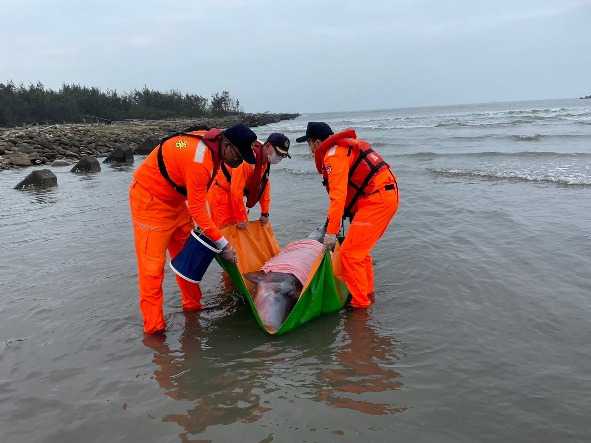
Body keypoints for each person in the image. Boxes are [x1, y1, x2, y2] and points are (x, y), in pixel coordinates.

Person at [129, 123, 257, 334]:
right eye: (238, 155)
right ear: (226, 145)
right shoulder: (200, 160)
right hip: (149, 202)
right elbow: (198, 209)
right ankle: (154, 330)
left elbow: (179, 150)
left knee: (186, 262)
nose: (239, 161)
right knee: (152, 271)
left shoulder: (214, 147)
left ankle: (193, 307)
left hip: (177, 202)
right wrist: (223, 244)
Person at [296, 122, 399, 309]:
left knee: (350, 255)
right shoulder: (341, 150)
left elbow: (338, 196)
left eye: (309, 144)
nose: (310, 150)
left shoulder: (333, 156)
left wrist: (331, 233)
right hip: (382, 196)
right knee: (359, 252)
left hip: (377, 200)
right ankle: (367, 294)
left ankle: (360, 307)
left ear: (317, 142)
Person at [208, 133, 291, 229]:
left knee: (240, 230)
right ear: (267, 146)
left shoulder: (264, 161)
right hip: (221, 195)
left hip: (238, 197)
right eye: (278, 153)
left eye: (283, 155)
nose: (279, 157)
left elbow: (264, 186)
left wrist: (265, 212)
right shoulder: (247, 160)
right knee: (224, 231)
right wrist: (241, 218)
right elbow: (236, 190)